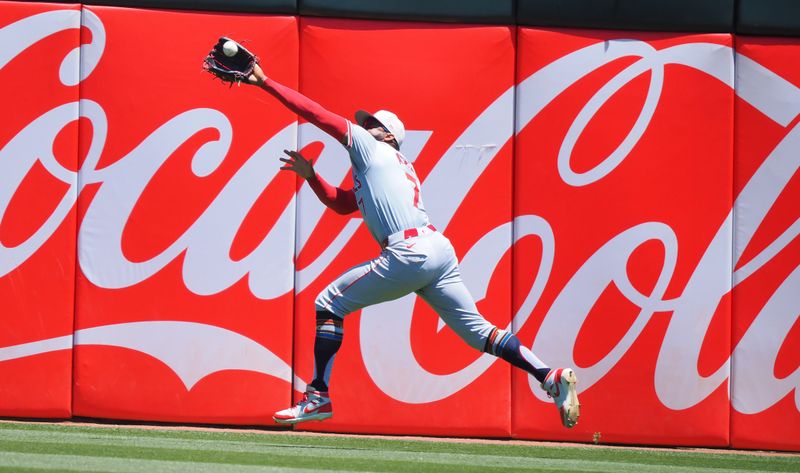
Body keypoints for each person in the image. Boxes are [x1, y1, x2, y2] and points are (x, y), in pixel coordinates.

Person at [241, 62, 580, 428]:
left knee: (328, 303)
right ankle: (549, 375)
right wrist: (311, 177)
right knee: (479, 333)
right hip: (437, 251)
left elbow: (318, 115)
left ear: (387, 136)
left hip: (409, 252)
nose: (365, 127)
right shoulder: (387, 167)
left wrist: (264, 82)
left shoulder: (372, 150)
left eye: (373, 125)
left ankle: (318, 396)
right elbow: (341, 205)